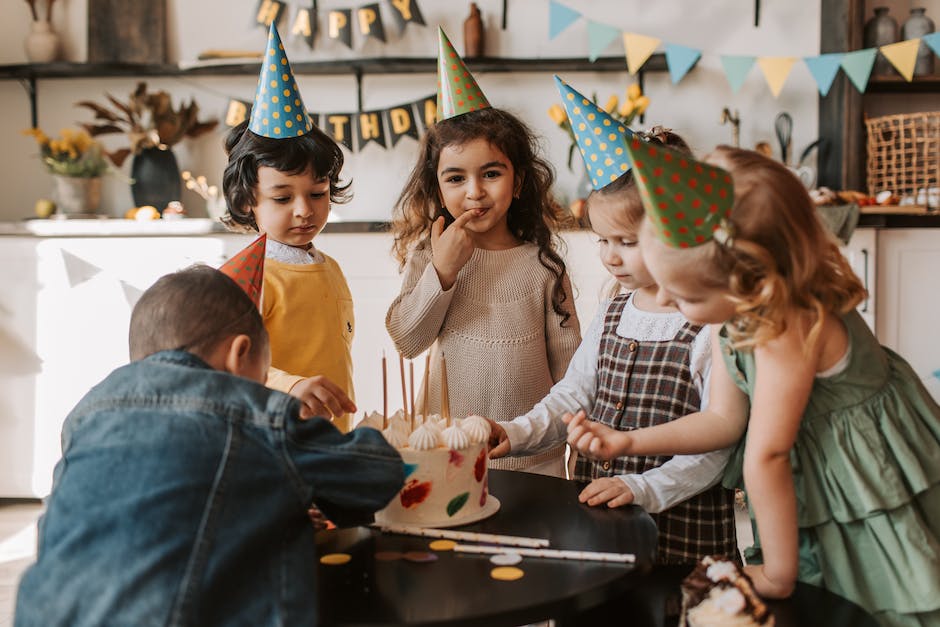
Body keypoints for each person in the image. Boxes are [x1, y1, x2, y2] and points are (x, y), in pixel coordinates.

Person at [565, 141, 940, 627]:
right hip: (818, 471)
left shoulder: (784, 325)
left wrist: (777, 573)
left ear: (745, 280)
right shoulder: (750, 306)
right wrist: (631, 441)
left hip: (863, 476)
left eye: (684, 297)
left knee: (868, 596)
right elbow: (723, 421)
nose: (674, 307)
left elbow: (767, 455)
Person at [14, 265, 404, 627]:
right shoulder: (255, 412)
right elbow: (374, 476)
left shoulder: (87, 413)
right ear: (239, 355)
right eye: (263, 376)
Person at [489, 84, 737, 565]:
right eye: (601, 240)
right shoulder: (615, 311)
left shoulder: (710, 323)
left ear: (675, 229)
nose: (608, 257)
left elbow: (716, 446)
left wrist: (641, 487)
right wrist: (515, 432)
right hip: (599, 530)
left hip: (682, 538)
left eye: (625, 241)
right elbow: (573, 397)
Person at [386, 30, 581, 477]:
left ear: (519, 182)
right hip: (445, 453)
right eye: (455, 178)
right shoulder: (429, 255)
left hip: (533, 460)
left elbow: (572, 371)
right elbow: (407, 341)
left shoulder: (543, 266)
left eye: (491, 173)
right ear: (437, 186)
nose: (474, 192)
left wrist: (576, 441)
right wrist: (443, 271)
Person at [222, 22, 357, 431]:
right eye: (282, 198)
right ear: (248, 200)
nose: (304, 211)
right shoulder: (249, 275)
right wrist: (289, 385)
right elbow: (226, 363)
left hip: (332, 435)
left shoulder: (330, 268)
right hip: (273, 437)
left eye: (317, 193)